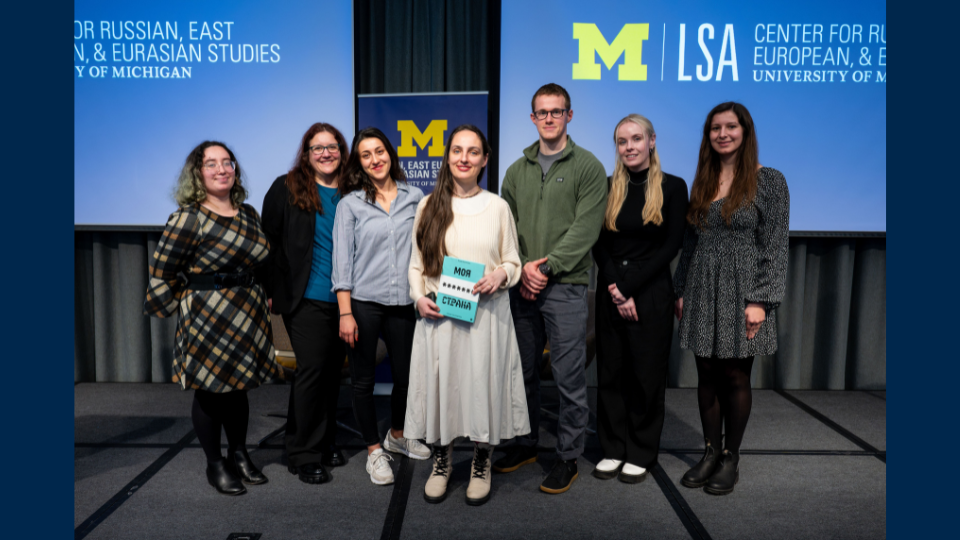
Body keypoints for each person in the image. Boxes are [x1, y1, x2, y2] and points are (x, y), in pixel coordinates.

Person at [144, 141, 281, 496]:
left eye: (227, 162)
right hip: (207, 315)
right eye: (211, 164)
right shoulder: (188, 217)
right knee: (210, 392)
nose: (221, 169)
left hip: (247, 311)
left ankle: (239, 454)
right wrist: (170, 309)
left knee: (238, 390)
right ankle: (214, 464)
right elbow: (163, 268)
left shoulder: (249, 212)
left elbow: (260, 259)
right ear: (198, 174)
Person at [404, 125, 530, 506]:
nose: (463, 158)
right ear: (447, 157)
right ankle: (441, 460)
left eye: (473, 152)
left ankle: (481, 459)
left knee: (479, 388)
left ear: (485, 160)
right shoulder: (429, 205)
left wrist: (500, 275)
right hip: (439, 318)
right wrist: (417, 298)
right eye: (457, 150)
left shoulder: (498, 207)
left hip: (486, 318)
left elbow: (513, 261)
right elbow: (415, 266)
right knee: (443, 386)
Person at [496, 83, 608, 494]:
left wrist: (547, 267)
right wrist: (522, 270)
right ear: (532, 118)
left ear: (569, 116)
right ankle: (524, 444)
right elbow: (504, 227)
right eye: (541, 112)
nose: (548, 118)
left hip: (566, 288)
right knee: (521, 372)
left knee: (568, 377)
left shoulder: (589, 167)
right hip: (522, 287)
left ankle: (567, 457)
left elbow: (586, 228)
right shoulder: (515, 170)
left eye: (556, 112)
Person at [673, 102, 790, 495]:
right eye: (715, 128)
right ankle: (709, 451)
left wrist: (761, 300)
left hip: (744, 292)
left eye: (730, 127)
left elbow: (775, 246)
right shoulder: (703, 180)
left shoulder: (769, 181)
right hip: (703, 288)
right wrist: (682, 290)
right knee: (706, 373)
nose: (722, 134)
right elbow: (691, 241)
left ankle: (730, 458)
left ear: (745, 131)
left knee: (735, 376)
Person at [591, 114, 688, 483]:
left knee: (646, 375)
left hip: (651, 291)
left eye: (636, 139)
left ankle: (641, 451)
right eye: (621, 141)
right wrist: (616, 287)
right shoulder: (605, 186)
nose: (629, 146)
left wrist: (630, 288)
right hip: (612, 289)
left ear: (651, 141)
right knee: (612, 373)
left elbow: (672, 245)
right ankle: (613, 448)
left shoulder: (674, 187)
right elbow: (597, 243)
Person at [332, 127, 430, 486]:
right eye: (366, 155)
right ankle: (374, 451)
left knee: (406, 378)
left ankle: (398, 435)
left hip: (404, 300)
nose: (375, 159)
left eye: (379, 151)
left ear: (390, 152)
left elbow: (425, 250)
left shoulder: (415, 196)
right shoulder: (350, 204)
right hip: (363, 302)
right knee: (363, 381)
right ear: (359, 163)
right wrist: (345, 312)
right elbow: (342, 264)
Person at [261, 123, 350, 485]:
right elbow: (267, 242)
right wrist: (274, 289)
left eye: (332, 147)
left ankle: (320, 441)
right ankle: (303, 455)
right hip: (306, 298)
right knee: (313, 372)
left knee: (329, 376)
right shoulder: (286, 188)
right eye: (317, 148)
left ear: (341, 151)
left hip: (344, 299)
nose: (325, 153)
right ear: (306, 153)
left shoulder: (352, 191)